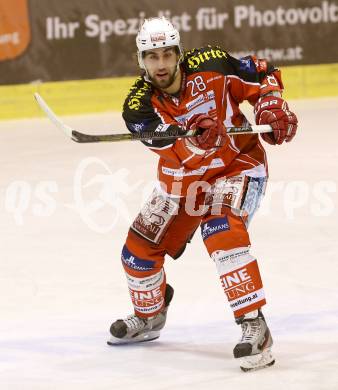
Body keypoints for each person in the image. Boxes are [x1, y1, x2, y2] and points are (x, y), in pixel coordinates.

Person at [107, 17, 298, 372]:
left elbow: (262, 73)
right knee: (137, 252)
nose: (160, 64)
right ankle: (150, 316)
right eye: (152, 57)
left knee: (220, 227)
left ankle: (254, 326)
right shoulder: (138, 104)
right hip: (184, 182)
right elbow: (159, 137)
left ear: (179, 54)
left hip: (237, 166)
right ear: (140, 60)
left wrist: (270, 105)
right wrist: (189, 134)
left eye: (167, 54)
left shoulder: (211, 63)